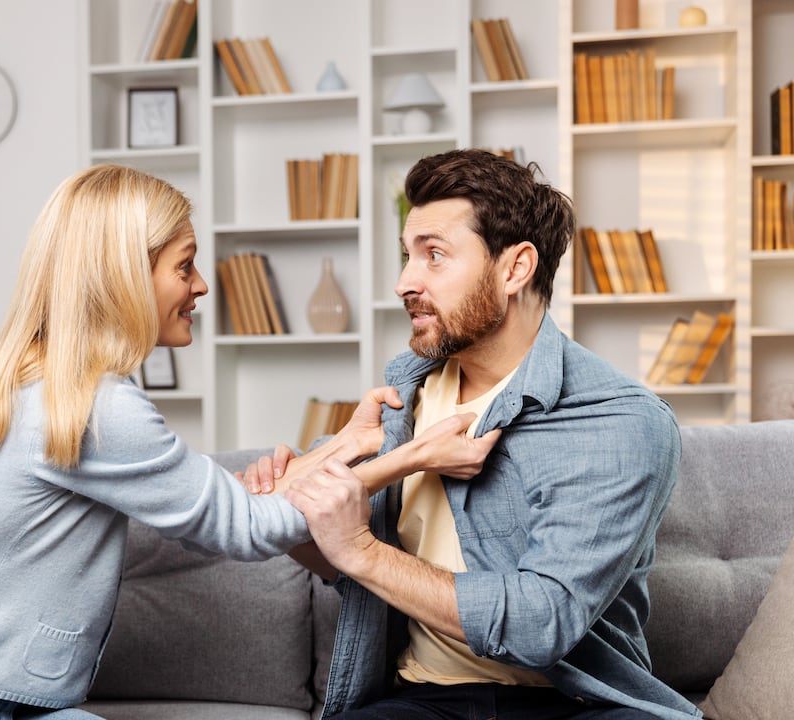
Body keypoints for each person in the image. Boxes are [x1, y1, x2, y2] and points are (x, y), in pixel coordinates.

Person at [0, 163, 497, 720]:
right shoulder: (94, 406)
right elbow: (244, 530)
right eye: (185, 267)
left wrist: (348, 443)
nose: (201, 285)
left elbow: (208, 496)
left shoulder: (51, 385)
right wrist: (411, 456)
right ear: (126, 275)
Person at [253, 149, 698, 719]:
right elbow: (333, 555)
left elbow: (541, 625)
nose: (403, 283)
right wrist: (298, 518)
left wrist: (363, 551)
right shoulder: (403, 393)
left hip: (577, 703)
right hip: (423, 701)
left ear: (514, 269)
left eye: (434, 255)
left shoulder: (620, 421)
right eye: (407, 256)